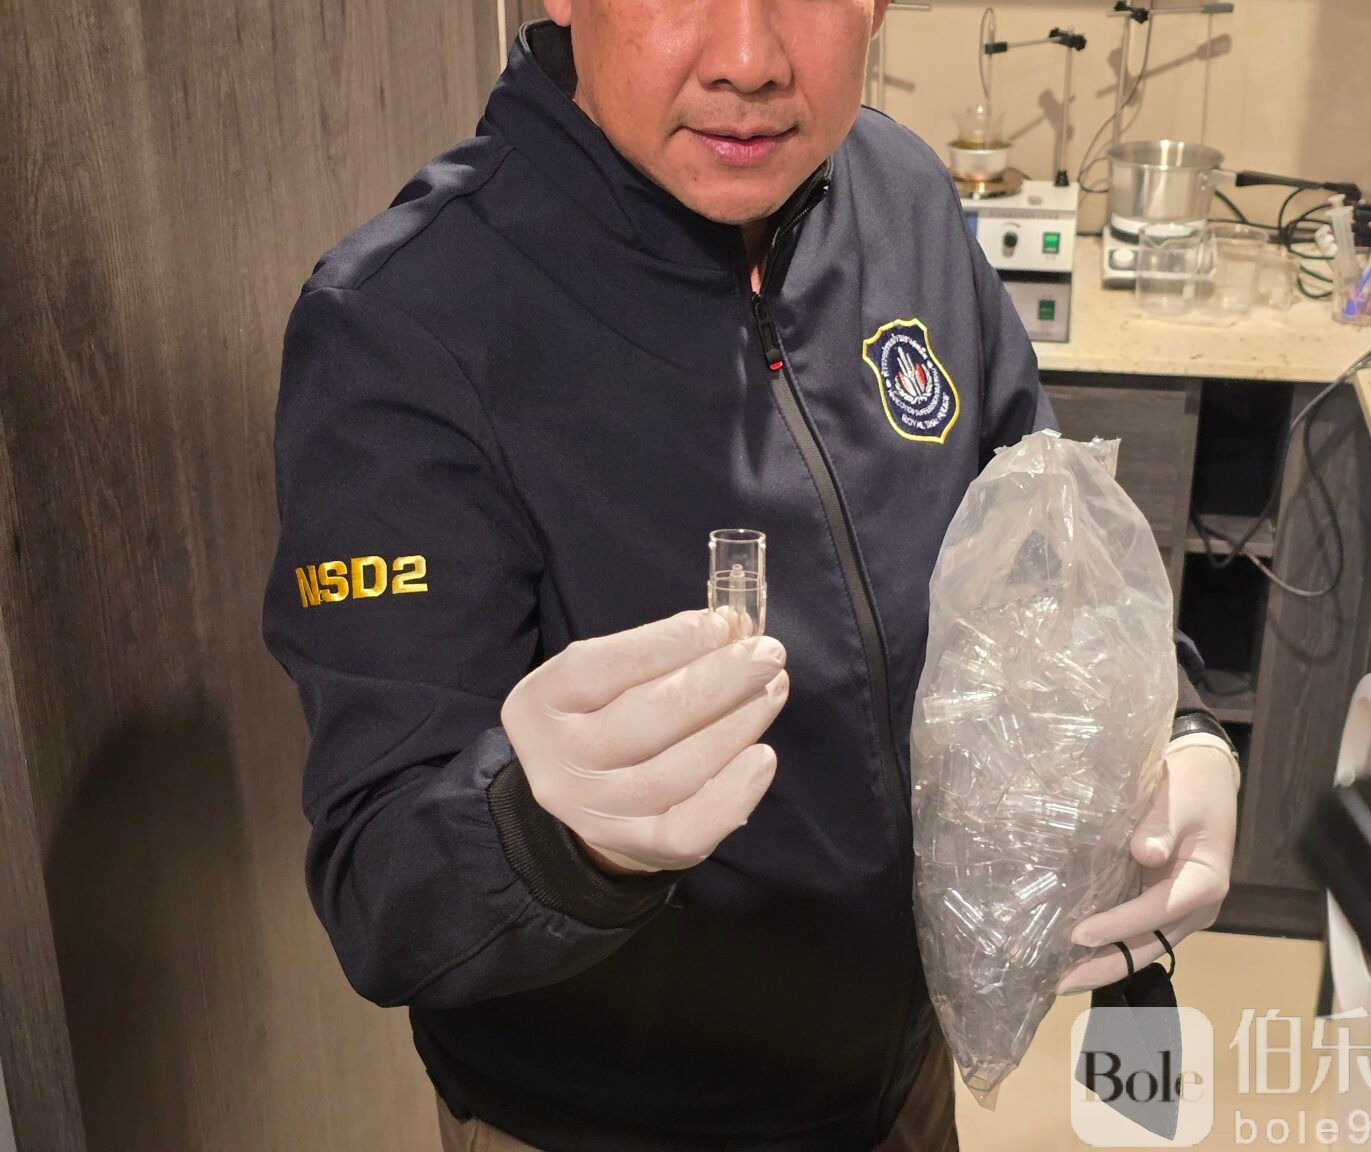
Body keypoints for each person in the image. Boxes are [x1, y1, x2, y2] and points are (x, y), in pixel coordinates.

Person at [262, 3, 1240, 1149]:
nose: (748, 61)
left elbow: (1039, 532)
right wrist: (544, 837)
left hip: (899, 1081)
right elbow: (380, 893)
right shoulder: (405, 324)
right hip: (614, 1126)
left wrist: (1172, 717)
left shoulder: (902, 196)